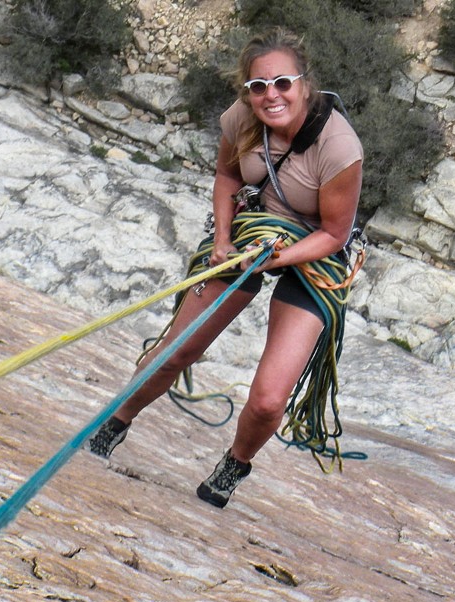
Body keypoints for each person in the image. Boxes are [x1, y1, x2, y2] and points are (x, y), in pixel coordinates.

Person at [87, 28, 363, 509]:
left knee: (268, 400)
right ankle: (116, 420)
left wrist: (279, 255)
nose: (270, 95)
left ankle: (235, 462)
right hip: (251, 231)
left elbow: (335, 234)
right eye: (259, 86)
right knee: (177, 349)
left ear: (304, 83)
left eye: (282, 83)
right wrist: (221, 239)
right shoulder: (243, 118)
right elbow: (228, 175)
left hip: (314, 253)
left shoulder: (339, 148)